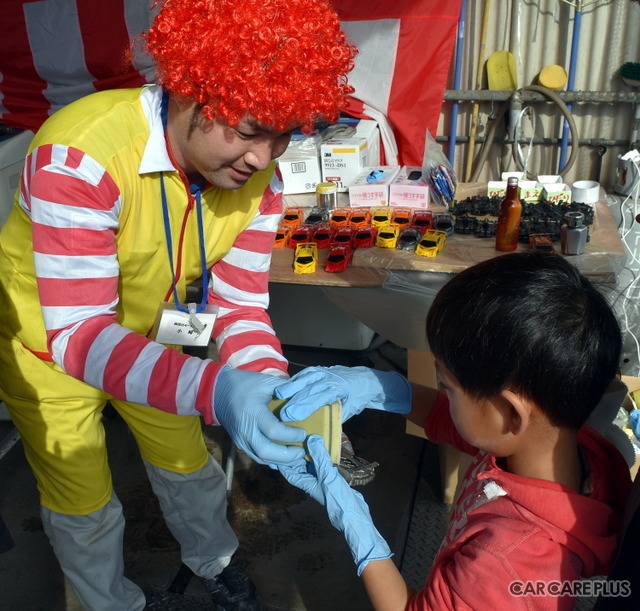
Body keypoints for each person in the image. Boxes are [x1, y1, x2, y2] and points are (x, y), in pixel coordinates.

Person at [0, 0, 356, 609]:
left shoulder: (257, 186)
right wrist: (219, 390)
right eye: (248, 130)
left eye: (282, 135)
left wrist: (273, 390)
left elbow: (241, 305)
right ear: (191, 89)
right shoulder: (80, 156)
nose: (262, 159)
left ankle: (214, 561)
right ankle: (112, 602)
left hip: (158, 339)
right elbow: (82, 334)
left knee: (188, 464)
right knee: (81, 498)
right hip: (50, 348)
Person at [276, 251, 632, 610]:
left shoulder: (504, 565)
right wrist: (377, 387)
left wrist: (362, 534)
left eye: (447, 386)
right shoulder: (556, 442)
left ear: (510, 412)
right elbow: (455, 422)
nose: (442, 393)